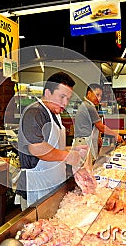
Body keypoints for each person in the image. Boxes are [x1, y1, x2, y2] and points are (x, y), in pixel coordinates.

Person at [16, 72, 89, 210]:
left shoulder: (55, 114)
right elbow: (37, 149)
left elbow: (53, 147)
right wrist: (68, 156)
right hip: (36, 186)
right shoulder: (34, 113)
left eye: (68, 98)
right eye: (62, 97)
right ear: (48, 93)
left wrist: (71, 151)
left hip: (52, 184)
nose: (65, 103)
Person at [74, 83, 123, 160]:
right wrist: (116, 135)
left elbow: (92, 125)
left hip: (82, 142)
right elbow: (101, 127)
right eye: (97, 95)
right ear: (89, 93)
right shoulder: (89, 107)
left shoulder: (86, 105)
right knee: (87, 168)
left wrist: (98, 138)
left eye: (100, 96)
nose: (99, 98)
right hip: (84, 143)